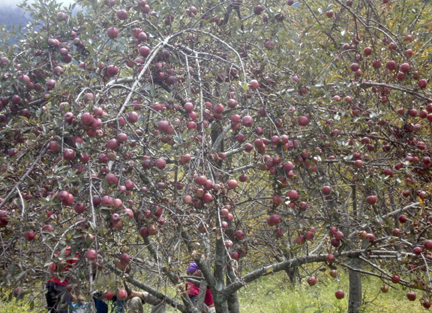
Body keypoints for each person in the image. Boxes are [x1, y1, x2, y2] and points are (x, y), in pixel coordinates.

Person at [46, 246, 79, 313]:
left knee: (53, 310)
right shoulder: (75, 252)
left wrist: (69, 292)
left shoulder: (64, 250)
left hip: (49, 284)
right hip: (59, 285)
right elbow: (74, 272)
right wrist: (78, 294)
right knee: (64, 310)